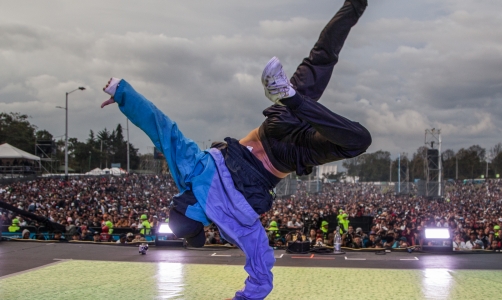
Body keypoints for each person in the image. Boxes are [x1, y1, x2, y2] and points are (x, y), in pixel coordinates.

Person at [99, 1, 370, 299]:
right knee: (322, 58)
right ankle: (351, 9)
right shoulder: (190, 173)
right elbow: (162, 129)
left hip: (288, 158)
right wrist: (122, 92)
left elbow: (262, 264)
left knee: (358, 140)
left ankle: (295, 99)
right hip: (275, 128)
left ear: (202, 223)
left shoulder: (233, 225)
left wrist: (244, 298)